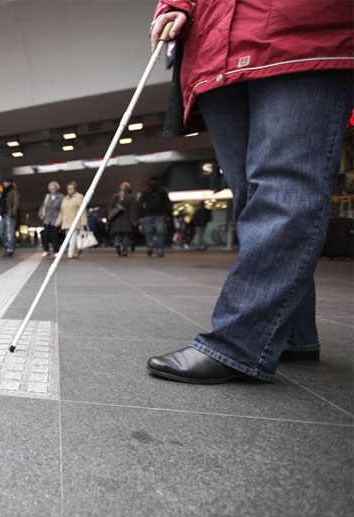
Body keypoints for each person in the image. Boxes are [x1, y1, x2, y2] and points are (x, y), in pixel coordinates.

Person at [146, 3, 352, 384]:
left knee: (284, 189)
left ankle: (239, 341)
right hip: (215, 49)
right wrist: (175, 5)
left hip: (303, 34)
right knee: (250, 198)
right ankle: (292, 334)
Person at [139, 176, 172, 257]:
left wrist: (141, 215)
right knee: (160, 232)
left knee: (148, 231)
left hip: (148, 214)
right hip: (160, 214)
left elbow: (140, 204)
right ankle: (159, 249)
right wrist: (169, 214)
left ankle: (150, 244)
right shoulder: (163, 191)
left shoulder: (146, 191)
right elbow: (168, 204)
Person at [55, 181, 87, 259]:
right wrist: (58, 221)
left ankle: (70, 253)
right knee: (70, 239)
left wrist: (84, 223)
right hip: (66, 222)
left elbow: (83, 210)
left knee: (72, 239)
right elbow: (61, 212)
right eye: (68, 188)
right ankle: (77, 250)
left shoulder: (79, 197)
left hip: (75, 222)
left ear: (75, 189)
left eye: (71, 188)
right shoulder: (65, 199)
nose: (70, 190)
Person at [108, 181, 137, 257]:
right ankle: (125, 251)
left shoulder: (115, 197)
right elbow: (132, 210)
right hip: (126, 218)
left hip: (116, 218)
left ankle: (117, 243)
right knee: (125, 236)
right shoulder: (130, 198)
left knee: (117, 234)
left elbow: (111, 208)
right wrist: (134, 220)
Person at [38, 181, 63, 257]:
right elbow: (43, 206)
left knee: (55, 235)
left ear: (56, 189)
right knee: (45, 234)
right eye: (51, 189)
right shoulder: (47, 196)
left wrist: (61, 219)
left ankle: (56, 250)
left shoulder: (61, 197)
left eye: (54, 188)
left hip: (56, 218)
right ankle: (46, 250)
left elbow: (62, 208)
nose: (52, 190)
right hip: (47, 218)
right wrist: (41, 214)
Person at [0, 178, 19, 257]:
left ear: (10, 183)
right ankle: (8, 244)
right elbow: (0, 203)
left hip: (10, 214)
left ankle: (10, 249)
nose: (4, 183)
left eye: (6, 182)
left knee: (10, 232)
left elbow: (16, 203)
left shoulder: (13, 191)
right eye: (4, 182)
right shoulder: (3, 192)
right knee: (0, 231)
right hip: (3, 214)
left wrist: (13, 212)